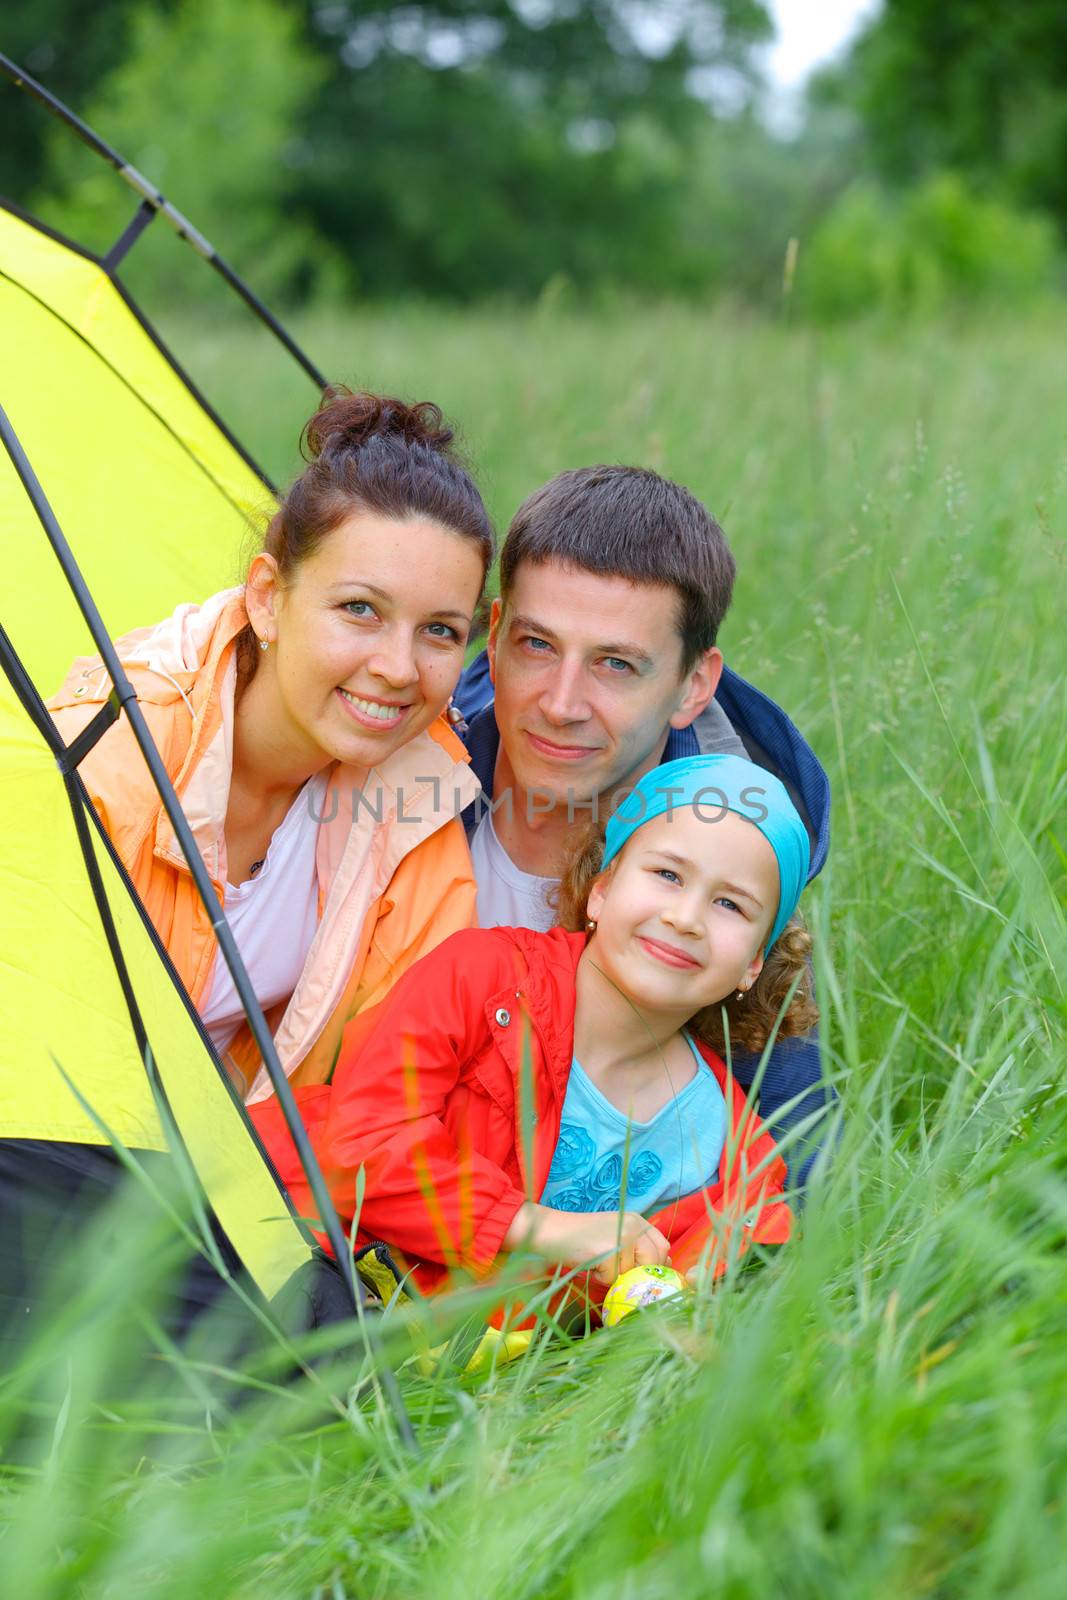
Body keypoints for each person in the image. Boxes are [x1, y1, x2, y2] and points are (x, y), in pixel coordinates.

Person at [1, 388, 494, 1344]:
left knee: (322, 1341)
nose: (398, 667)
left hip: (228, 1178)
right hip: (42, 1131)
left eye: (439, 630)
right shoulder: (118, 747)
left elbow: (390, 1091)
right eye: (360, 610)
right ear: (268, 598)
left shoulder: (420, 805)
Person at [250, 754, 811, 1300]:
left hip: (454, 1362)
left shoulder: (723, 1153)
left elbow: (706, 1292)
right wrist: (541, 1226)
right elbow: (364, 1144)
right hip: (291, 1233)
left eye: (730, 906)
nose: (685, 918)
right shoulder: (481, 977)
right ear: (602, 888)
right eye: (667, 874)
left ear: (755, 961)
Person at [451, 466, 833, 1183]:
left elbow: (803, 1172)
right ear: (494, 635)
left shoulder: (729, 859)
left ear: (693, 684)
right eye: (537, 645)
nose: (560, 704)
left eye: (616, 665)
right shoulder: (395, 772)